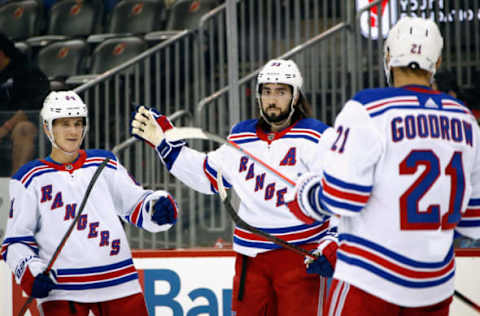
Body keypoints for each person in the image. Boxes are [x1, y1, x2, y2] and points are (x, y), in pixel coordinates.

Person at [286, 16, 480, 315]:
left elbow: (342, 199)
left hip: (369, 282)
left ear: (388, 56)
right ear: (437, 62)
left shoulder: (368, 108)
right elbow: (473, 220)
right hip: (434, 288)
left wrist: (307, 193)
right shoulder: (466, 121)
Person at [131, 59, 336, 315]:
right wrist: (164, 144)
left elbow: (340, 193)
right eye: (267, 91)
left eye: (281, 92)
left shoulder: (319, 137)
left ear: (295, 96)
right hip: (251, 260)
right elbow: (207, 175)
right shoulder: (242, 136)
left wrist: (334, 240)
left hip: (300, 257)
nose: (272, 99)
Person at [1, 91, 179, 316]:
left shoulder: (104, 162)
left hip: (119, 284)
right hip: (62, 292)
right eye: (64, 124)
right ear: (47, 128)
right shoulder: (29, 178)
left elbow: (136, 204)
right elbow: (15, 241)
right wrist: (30, 272)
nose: (73, 131)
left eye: (78, 123)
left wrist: (157, 208)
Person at [0, 33, 50, 176]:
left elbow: (33, 105)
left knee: (23, 128)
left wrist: (6, 127)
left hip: (28, 125)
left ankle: (17, 184)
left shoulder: (27, 70)